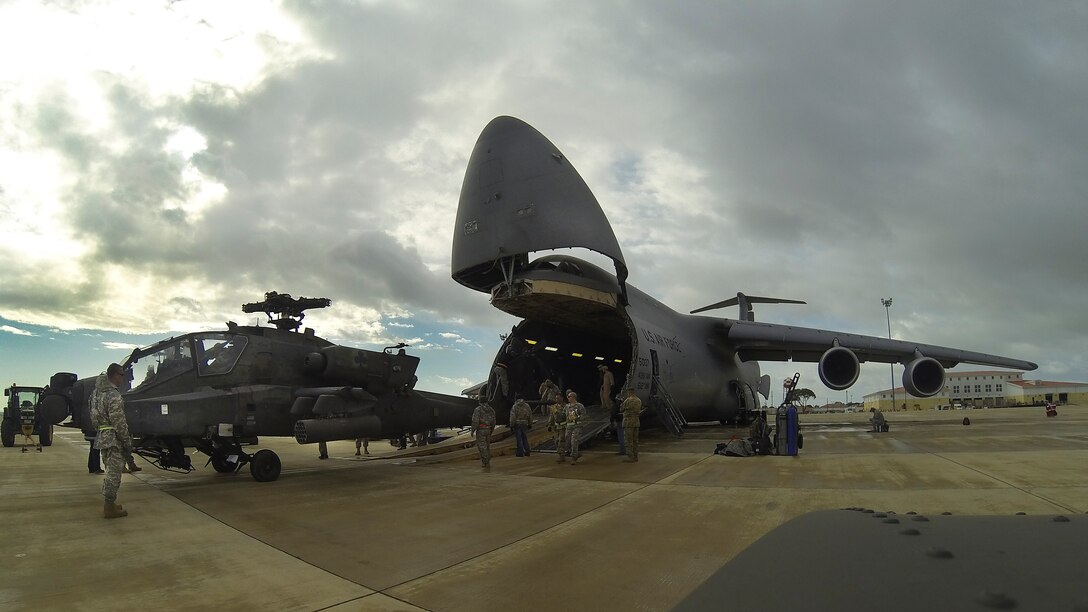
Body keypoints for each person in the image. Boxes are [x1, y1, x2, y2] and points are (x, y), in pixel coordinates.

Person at [90, 363, 131, 519]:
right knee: (114, 474)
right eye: (121, 375)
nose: (123, 378)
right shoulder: (113, 395)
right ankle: (109, 507)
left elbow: (93, 416)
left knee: (110, 471)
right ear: (114, 375)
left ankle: (111, 503)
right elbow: (119, 422)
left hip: (102, 436)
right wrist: (126, 441)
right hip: (114, 437)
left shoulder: (95, 393)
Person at [471, 400, 497, 470]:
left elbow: (475, 421)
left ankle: (485, 461)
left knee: (482, 446)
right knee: (487, 446)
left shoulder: (478, 409)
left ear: (480, 402)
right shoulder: (491, 410)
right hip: (488, 429)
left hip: (481, 430)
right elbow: (494, 421)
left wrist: (473, 430)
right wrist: (492, 429)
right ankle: (487, 460)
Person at [620, 388, 643, 462]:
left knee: (628, 440)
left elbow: (621, 409)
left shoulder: (627, 400)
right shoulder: (638, 400)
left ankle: (630, 457)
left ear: (629, 392)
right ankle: (636, 456)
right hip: (636, 422)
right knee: (635, 440)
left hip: (628, 423)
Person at [564, 391, 587, 465]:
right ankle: (576, 453)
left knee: (574, 441)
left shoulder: (579, 406)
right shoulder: (567, 406)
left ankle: (574, 457)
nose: (568, 398)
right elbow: (565, 415)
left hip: (577, 426)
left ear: (573, 397)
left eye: (569, 396)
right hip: (569, 426)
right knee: (567, 440)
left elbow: (584, 415)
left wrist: (577, 417)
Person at [548, 394, 568, 463]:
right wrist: (550, 425)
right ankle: (561, 454)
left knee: (561, 441)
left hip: (563, 426)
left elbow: (565, 416)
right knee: (556, 441)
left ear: (562, 398)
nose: (557, 400)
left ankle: (562, 456)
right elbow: (551, 417)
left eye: (558, 398)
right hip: (556, 427)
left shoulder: (566, 407)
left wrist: (557, 412)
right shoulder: (553, 407)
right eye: (556, 398)